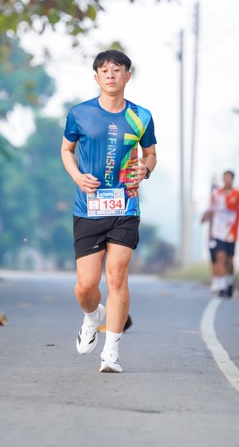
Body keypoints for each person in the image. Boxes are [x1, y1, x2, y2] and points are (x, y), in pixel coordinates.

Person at [61, 50, 157, 373]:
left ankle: (111, 353)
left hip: (125, 205)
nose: (111, 75)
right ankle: (92, 317)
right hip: (88, 207)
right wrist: (77, 177)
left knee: (116, 276)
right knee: (86, 285)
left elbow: (151, 154)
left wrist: (145, 168)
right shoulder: (79, 114)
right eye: (104, 70)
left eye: (117, 69)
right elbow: (66, 150)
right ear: (96, 78)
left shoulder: (141, 116)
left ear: (128, 76)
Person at [205, 170, 239, 298]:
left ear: (233, 179)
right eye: (225, 178)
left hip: (231, 232)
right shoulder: (216, 194)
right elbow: (211, 212)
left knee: (229, 260)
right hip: (218, 231)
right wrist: (210, 231)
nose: (226, 180)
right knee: (220, 257)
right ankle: (222, 287)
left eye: (229, 178)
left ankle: (229, 282)